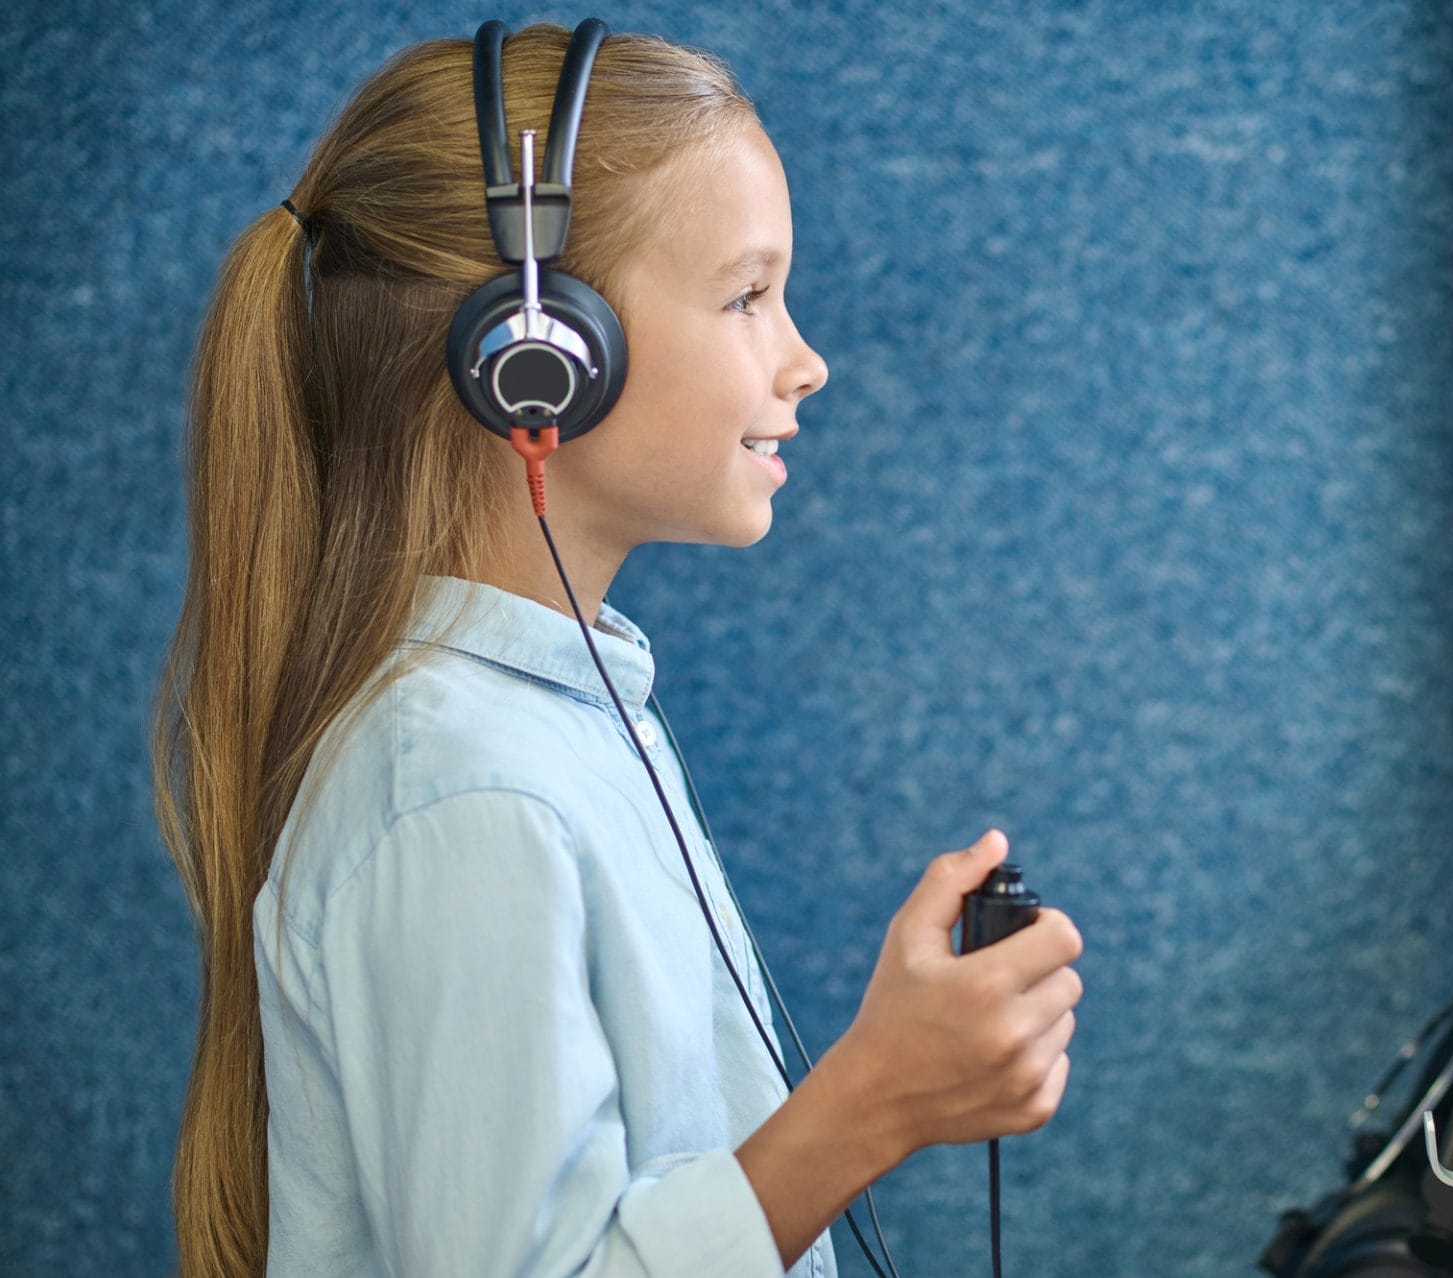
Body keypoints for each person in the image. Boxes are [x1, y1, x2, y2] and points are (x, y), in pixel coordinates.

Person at [149, 21, 1083, 1278]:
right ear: (539, 357)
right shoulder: (463, 789)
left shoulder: (563, 723)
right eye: (747, 295)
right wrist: (874, 1102)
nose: (805, 361)